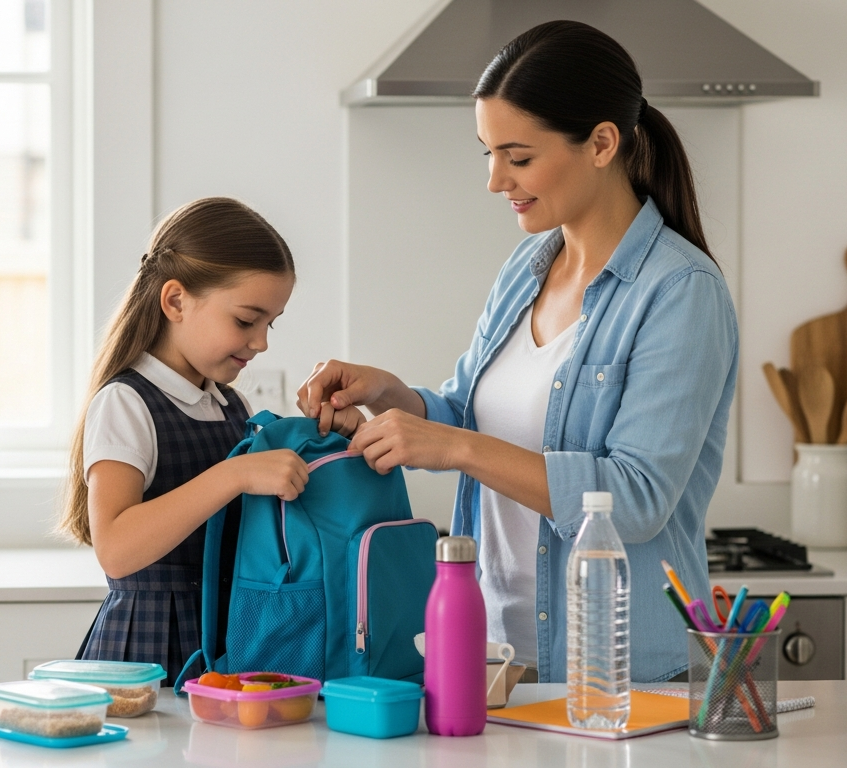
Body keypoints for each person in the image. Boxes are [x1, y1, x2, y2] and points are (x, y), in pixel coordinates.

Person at [297, 21, 737, 683]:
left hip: (621, 672)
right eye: (488, 154)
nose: (496, 180)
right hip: (497, 654)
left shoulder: (680, 291)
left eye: (519, 156)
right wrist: (397, 398)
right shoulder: (527, 267)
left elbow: (638, 497)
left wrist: (455, 447)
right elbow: (475, 417)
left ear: (601, 144)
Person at [61, 197, 317, 682]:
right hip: (146, 653)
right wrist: (234, 474)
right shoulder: (126, 403)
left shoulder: (230, 406)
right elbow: (115, 548)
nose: (261, 342)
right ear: (176, 301)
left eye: (270, 324)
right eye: (246, 320)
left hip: (225, 641)